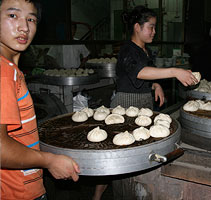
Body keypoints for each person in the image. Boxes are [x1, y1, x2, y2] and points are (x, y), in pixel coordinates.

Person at [109, 5, 198, 200]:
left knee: (141, 147)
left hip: (143, 103)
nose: (154, 32)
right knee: (119, 153)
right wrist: (174, 71)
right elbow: (138, 72)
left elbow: (146, 73)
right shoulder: (127, 50)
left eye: (155, 27)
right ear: (137, 27)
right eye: (151, 27)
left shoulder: (144, 51)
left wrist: (156, 84)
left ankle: (138, 186)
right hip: (125, 106)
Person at [0, 1, 80, 200]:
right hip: (17, 193)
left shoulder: (11, 69)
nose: (24, 27)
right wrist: (50, 160)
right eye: (12, 16)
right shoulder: (3, 72)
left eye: (31, 19)